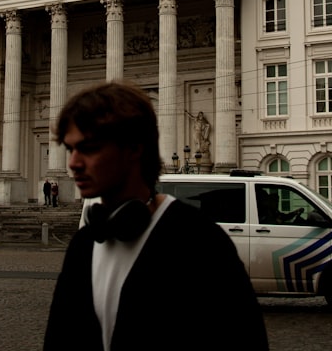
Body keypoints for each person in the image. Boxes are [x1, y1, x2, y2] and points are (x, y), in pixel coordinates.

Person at [44, 82, 268, 351]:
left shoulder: (199, 242)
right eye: (71, 149)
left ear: (134, 148)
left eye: (89, 148)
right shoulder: (84, 244)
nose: (73, 163)